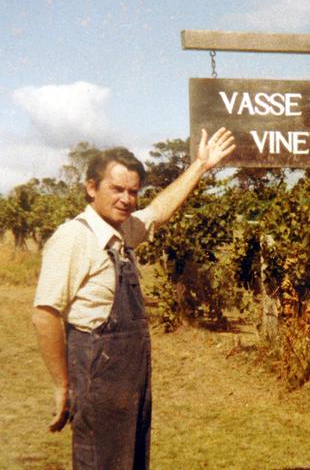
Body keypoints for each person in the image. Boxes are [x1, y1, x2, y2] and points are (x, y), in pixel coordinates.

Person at [32, 128, 235, 469]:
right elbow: (45, 314)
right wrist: (61, 386)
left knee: (132, 459)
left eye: (132, 191)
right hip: (96, 375)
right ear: (91, 187)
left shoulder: (122, 231)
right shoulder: (73, 238)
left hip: (131, 376)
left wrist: (200, 165)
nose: (126, 199)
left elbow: (158, 211)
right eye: (117, 189)